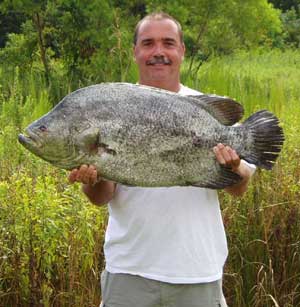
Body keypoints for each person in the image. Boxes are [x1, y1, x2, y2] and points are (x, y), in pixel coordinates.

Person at [69, 12, 255, 307]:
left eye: (168, 43)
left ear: (181, 50)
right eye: (148, 43)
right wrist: (93, 179)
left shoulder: (205, 110)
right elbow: (101, 197)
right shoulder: (112, 108)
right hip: (129, 272)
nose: (158, 52)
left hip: (196, 271)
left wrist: (235, 167)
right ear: (135, 52)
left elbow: (239, 189)